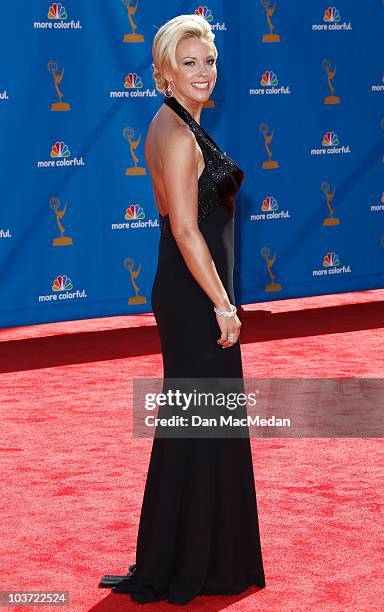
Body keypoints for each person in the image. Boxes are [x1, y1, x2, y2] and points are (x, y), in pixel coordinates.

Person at [99, 13, 266, 605]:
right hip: (197, 298)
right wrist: (222, 304)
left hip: (196, 291)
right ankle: (191, 560)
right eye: (189, 62)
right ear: (164, 71)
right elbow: (187, 231)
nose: (204, 73)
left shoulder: (184, 125)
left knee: (197, 424)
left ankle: (192, 550)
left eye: (210, 61)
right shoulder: (173, 133)